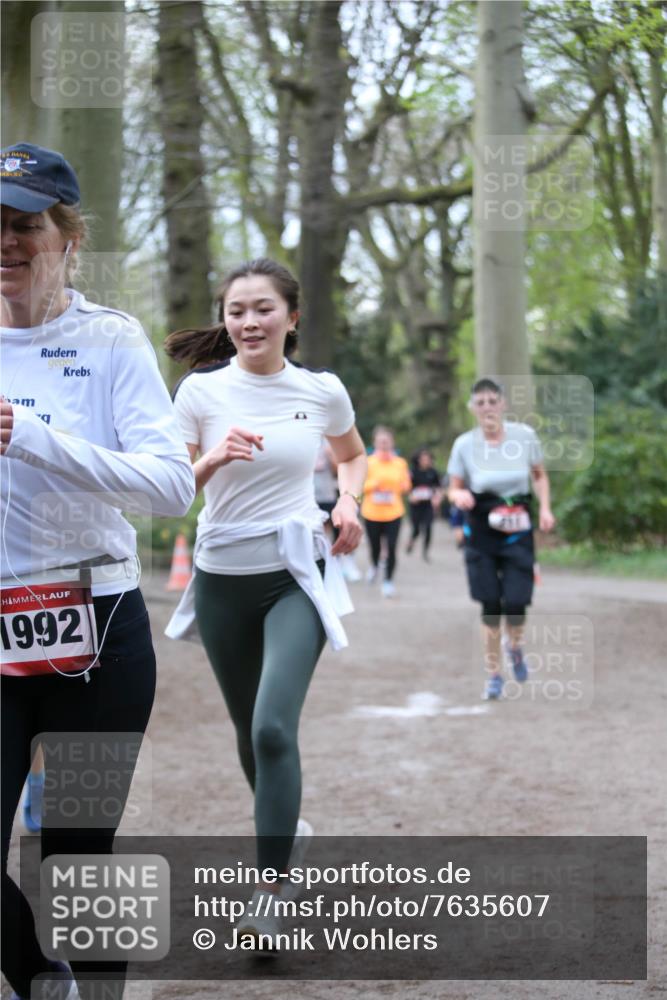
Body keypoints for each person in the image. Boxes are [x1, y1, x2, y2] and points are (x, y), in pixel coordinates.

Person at [0, 142, 195, 1000]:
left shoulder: (110, 341)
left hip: (99, 629)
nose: (8, 242)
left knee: (77, 856)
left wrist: (32, 436)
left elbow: (171, 484)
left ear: (68, 239)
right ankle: (45, 979)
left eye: (26, 226)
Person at [163, 257, 366, 946]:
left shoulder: (320, 390)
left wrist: (348, 498)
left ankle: (269, 894)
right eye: (236, 310)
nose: (248, 321)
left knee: (273, 727)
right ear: (225, 320)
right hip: (221, 578)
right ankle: (288, 832)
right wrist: (212, 458)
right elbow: (170, 494)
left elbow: (351, 454)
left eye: (262, 308)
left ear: (291, 316)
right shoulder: (198, 394)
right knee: (249, 731)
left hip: (293, 574)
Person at [447, 378, 556, 700]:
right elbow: (453, 485)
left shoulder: (524, 437)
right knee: (490, 605)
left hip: (518, 529)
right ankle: (494, 673)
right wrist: (459, 495)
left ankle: (516, 646)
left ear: (503, 404)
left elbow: (539, 475)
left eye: (492, 401)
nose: (487, 408)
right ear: (472, 408)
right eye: (480, 403)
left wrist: (546, 509)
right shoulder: (464, 445)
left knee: (518, 602)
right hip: (481, 529)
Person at [360, 426, 411, 597]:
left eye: (386, 441)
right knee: (374, 546)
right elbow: (360, 486)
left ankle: (388, 580)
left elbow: (406, 485)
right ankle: (375, 566)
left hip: (394, 512)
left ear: (392, 442)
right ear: (375, 443)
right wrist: (373, 485)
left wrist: (402, 485)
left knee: (391, 547)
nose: (384, 444)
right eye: (380, 441)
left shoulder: (400, 463)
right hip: (371, 513)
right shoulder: (367, 462)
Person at [406, 447, 443, 562]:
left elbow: (438, 488)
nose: (426, 461)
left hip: (428, 505)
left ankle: (425, 552)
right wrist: (411, 496)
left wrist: (437, 498)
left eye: (428, 459)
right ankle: (411, 542)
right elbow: (407, 487)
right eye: (423, 459)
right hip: (416, 505)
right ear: (418, 460)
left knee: (428, 528)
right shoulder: (412, 472)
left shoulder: (433, 472)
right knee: (416, 529)